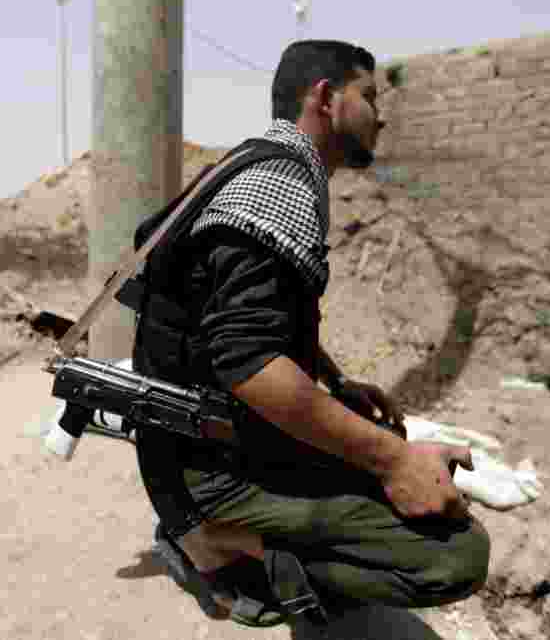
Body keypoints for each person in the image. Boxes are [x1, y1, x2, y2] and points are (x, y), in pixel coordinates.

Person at [132, 40, 490, 627]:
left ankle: (224, 536)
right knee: (456, 555)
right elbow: (248, 362)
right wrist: (394, 462)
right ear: (325, 98)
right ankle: (218, 548)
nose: (382, 114)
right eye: (369, 96)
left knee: (370, 431)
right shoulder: (282, 185)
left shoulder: (258, 163)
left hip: (202, 444)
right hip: (213, 467)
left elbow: (241, 319)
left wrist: (335, 381)